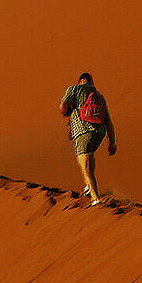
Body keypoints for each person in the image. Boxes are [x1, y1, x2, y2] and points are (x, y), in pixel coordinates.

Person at [59, 72, 115, 203]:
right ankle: (88, 187)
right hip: (99, 134)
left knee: (86, 168)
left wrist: (67, 112)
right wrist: (112, 143)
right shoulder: (99, 97)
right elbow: (108, 122)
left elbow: (62, 106)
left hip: (83, 132)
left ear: (82, 80)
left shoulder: (74, 89)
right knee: (87, 158)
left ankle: (96, 199)